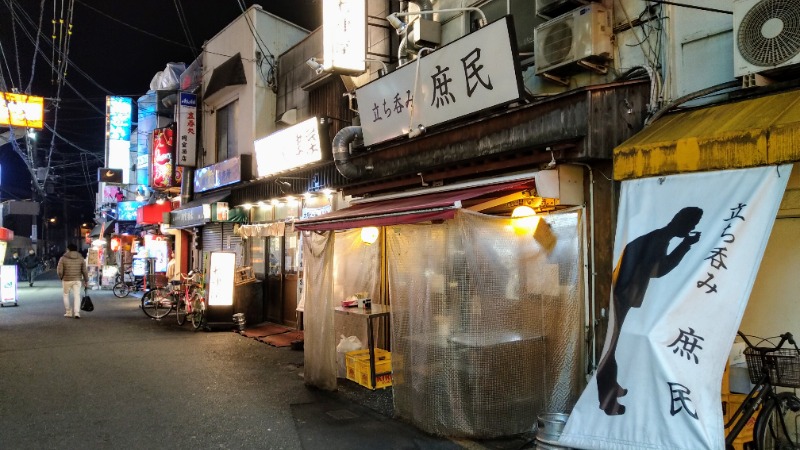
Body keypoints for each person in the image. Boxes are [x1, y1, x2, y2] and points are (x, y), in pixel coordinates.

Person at [596, 206, 703, 416]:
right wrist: (685, 245)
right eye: (691, 224)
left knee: (612, 347)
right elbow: (659, 270)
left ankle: (612, 388)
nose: (691, 228)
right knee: (609, 349)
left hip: (621, 296)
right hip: (619, 298)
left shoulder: (658, 237)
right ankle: (607, 402)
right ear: (680, 220)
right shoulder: (659, 240)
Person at [57, 243, 88, 319]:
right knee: (77, 296)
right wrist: (86, 280)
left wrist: (61, 277)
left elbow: (59, 271)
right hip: (77, 280)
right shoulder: (80, 258)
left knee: (66, 295)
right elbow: (84, 270)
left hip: (66, 279)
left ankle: (68, 312)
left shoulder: (63, 258)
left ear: (68, 249)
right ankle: (77, 313)